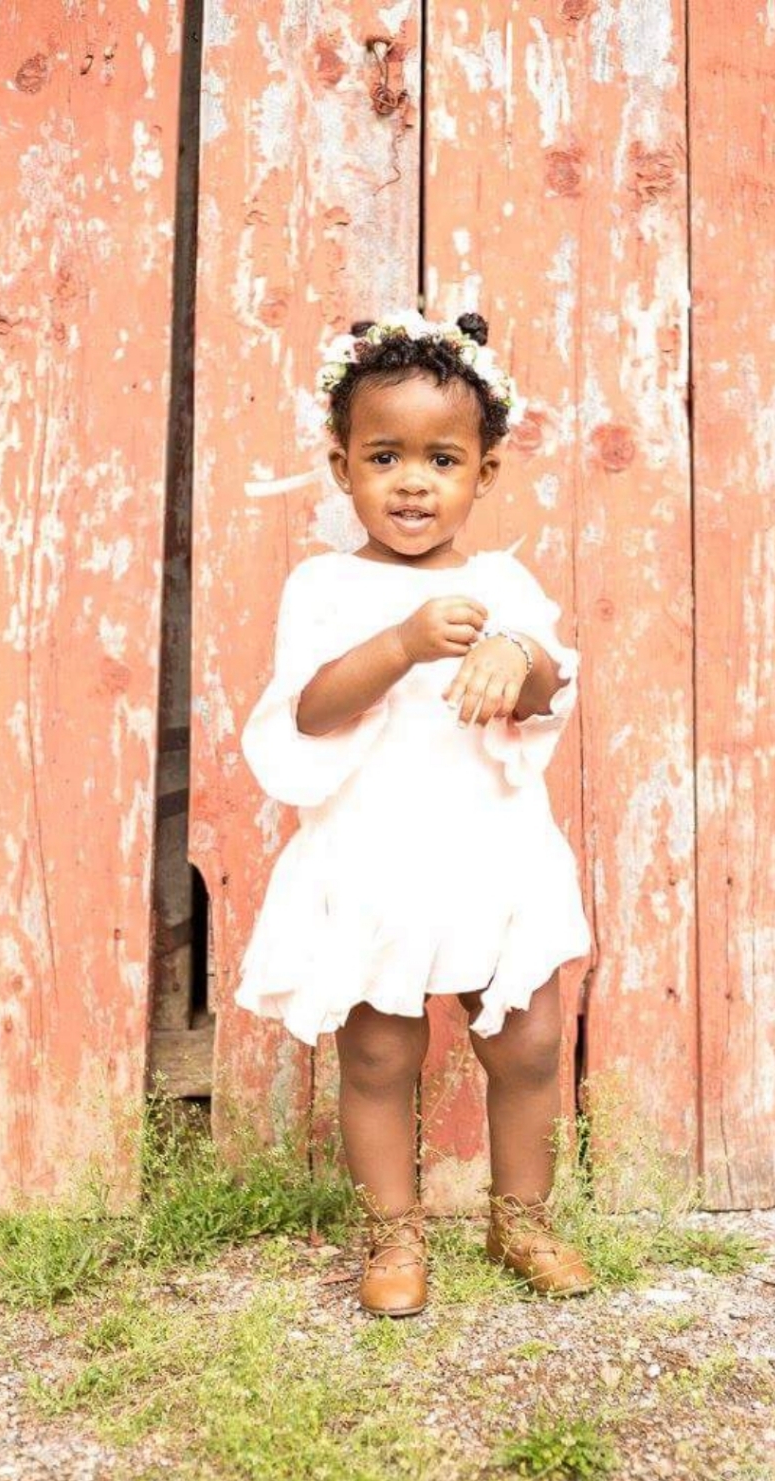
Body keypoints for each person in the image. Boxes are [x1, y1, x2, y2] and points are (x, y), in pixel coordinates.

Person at [234, 308, 595, 1316]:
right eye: (384, 456)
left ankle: (522, 1217)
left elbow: (549, 687)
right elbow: (310, 709)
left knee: (526, 1042)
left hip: (491, 852)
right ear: (341, 464)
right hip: (376, 859)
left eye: (442, 460)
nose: (411, 482)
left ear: (484, 473)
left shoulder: (500, 583)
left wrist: (513, 652)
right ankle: (394, 1233)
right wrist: (401, 643)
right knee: (380, 1051)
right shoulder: (324, 585)